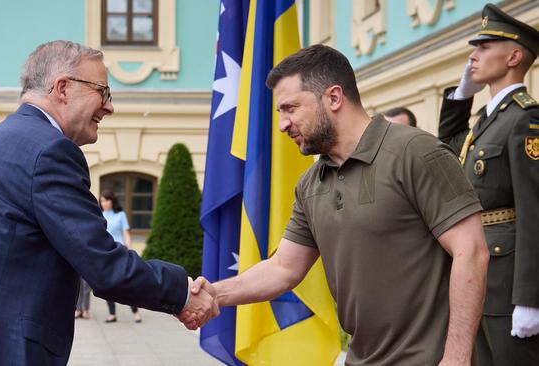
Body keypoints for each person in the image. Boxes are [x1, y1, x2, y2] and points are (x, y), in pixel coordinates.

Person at [0, 40, 217, 365]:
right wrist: (180, 292)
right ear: (63, 88)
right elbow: (104, 266)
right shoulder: (50, 152)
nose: (109, 107)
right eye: (103, 92)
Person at [186, 44, 489, 365]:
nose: (282, 125)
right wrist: (215, 294)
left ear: (333, 97)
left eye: (290, 108)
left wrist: (457, 358)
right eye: (280, 113)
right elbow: (283, 268)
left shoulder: (416, 152)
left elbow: (471, 252)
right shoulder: (311, 183)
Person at [437, 4, 539, 365]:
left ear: (513, 56)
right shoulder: (486, 120)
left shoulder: (526, 119)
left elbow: (535, 211)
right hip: (476, 274)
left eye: (483, 47)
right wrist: (462, 95)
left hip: (507, 282)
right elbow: (448, 142)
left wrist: (530, 298)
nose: (473, 56)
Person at [98, 190, 142, 323]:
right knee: (107, 284)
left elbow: (126, 234)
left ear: (112, 201)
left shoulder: (121, 215)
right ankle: (112, 314)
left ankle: (135, 311)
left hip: (120, 251)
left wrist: (130, 250)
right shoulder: (98, 215)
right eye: (102, 201)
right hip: (105, 252)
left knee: (126, 283)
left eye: (106, 200)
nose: (104, 203)